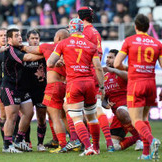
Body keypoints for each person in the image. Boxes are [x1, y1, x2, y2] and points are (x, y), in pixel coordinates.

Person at [47, 18, 104, 156]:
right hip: (90, 83)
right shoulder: (91, 45)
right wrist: (101, 87)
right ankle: (96, 147)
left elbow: (49, 63)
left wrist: (61, 62)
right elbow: (98, 67)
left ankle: (88, 147)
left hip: (74, 83)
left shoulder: (63, 43)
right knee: (92, 117)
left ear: (71, 29)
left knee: (77, 118)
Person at [114, 14, 162, 160]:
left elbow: (116, 64)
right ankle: (146, 154)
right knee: (144, 118)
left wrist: (129, 68)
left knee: (135, 120)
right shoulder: (157, 43)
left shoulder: (129, 41)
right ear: (148, 27)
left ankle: (153, 140)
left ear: (135, 26)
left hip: (136, 84)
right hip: (151, 84)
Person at [22, 29, 73, 153]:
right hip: (67, 84)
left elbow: (29, 51)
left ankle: (62, 144)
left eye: (55, 36)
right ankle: (75, 140)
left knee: (55, 117)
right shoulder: (71, 49)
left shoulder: (50, 47)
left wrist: (18, 45)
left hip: (53, 86)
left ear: (59, 38)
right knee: (64, 115)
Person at [0, 28, 44, 153]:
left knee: (29, 113)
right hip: (9, 86)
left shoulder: (19, 48)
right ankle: (7, 145)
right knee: (12, 116)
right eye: (16, 36)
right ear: (9, 39)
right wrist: (46, 52)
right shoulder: (11, 50)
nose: (19, 38)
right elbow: (29, 58)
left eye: (20, 35)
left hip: (21, 87)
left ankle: (19, 140)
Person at [78, 6, 114, 151]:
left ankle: (87, 143)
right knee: (96, 108)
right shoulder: (95, 32)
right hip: (95, 72)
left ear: (79, 17)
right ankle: (109, 143)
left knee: (82, 110)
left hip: (86, 72)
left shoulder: (84, 33)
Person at [103, 49, 142, 151]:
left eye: (111, 58)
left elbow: (130, 78)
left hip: (129, 109)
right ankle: (140, 138)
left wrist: (114, 70)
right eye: (107, 57)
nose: (108, 60)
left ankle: (141, 139)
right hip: (118, 116)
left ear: (117, 59)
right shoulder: (104, 77)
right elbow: (103, 98)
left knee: (121, 110)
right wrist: (105, 104)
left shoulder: (124, 70)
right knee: (113, 146)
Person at [22, 29, 47, 151]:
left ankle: (40, 144)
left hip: (41, 89)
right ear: (27, 40)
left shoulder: (45, 51)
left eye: (37, 38)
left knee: (41, 118)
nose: (35, 40)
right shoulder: (22, 52)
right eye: (32, 38)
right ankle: (27, 142)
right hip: (26, 90)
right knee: (27, 116)